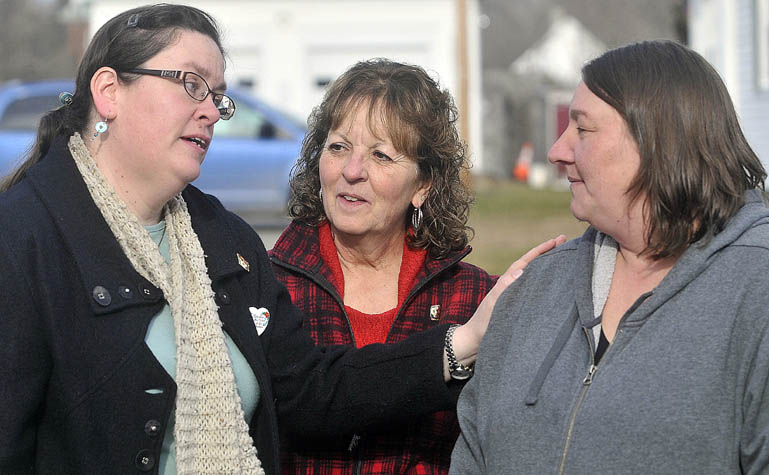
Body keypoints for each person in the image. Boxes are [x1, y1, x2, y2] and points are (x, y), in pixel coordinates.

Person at [0, 4, 562, 474]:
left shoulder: (223, 239)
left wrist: (460, 344)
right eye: (191, 84)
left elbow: (309, 390)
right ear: (108, 92)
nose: (211, 112)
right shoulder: (24, 239)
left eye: (218, 96)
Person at [450, 40, 769, 474]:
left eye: (582, 130)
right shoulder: (536, 287)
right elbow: (473, 456)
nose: (557, 151)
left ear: (655, 140)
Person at [270, 58, 491, 473]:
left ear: (423, 186)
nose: (353, 171)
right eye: (338, 147)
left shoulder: (474, 300)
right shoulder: (268, 287)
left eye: (382, 156)